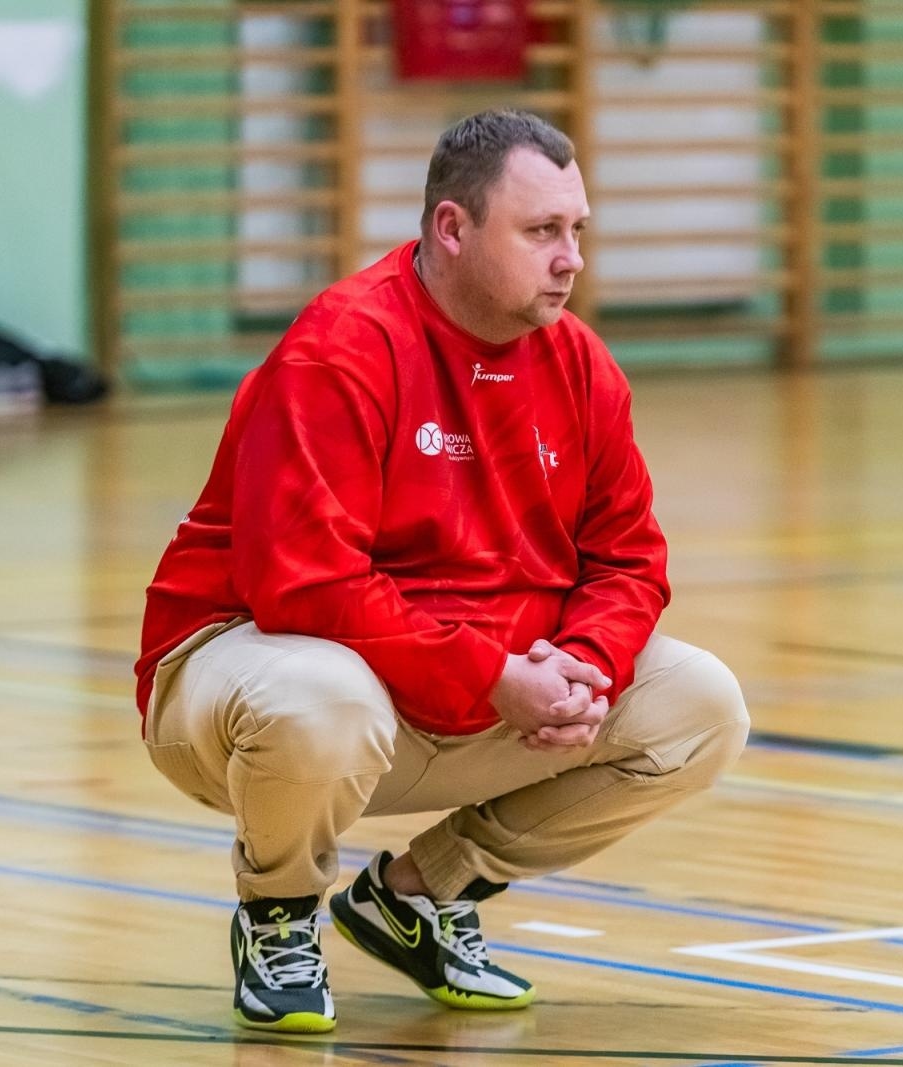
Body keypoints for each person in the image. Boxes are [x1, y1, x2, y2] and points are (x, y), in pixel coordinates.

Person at [134, 108, 749, 1034]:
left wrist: (582, 663)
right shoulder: (341, 348)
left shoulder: (581, 365)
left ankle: (416, 894)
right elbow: (307, 586)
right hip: (243, 684)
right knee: (320, 693)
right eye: (542, 231)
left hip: (465, 694)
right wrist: (495, 675)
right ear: (451, 230)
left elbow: (628, 558)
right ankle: (277, 918)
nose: (570, 257)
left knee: (701, 704)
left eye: (576, 229)